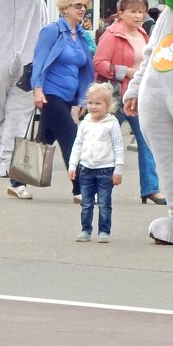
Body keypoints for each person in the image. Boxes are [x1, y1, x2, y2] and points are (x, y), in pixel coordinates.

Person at [93, 0, 165, 205]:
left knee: (146, 141)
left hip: (137, 95)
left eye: (140, 11)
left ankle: (151, 189)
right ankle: (97, 187)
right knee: (104, 142)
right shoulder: (111, 35)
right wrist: (125, 72)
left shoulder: (143, 34)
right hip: (115, 96)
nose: (137, 15)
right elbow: (99, 63)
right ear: (121, 14)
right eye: (132, 11)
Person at [28, 0, 95, 202]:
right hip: (50, 93)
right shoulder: (52, 31)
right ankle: (79, 189)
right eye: (78, 5)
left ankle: (17, 180)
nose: (82, 9)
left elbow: (85, 69)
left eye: (85, 6)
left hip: (68, 97)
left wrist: (83, 98)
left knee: (45, 140)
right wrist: (37, 90)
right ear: (65, 8)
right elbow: (39, 61)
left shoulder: (82, 35)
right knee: (71, 138)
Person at [68, 83, 124, 242]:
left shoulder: (112, 124)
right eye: (90, 103)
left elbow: (118, 147)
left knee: (104, 203)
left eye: (98, 103)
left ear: (108, 105)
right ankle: (85, 230)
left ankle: (104, 231)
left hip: (106, 170)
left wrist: (118, 171)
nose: (93, 107)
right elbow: (77, 144)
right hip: (85, 169)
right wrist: (73, 165)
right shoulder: (85, 123)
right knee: (86, 203)